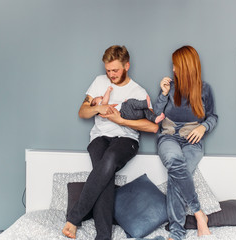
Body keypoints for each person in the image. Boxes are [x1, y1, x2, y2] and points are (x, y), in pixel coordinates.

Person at [62, 45, 158, 240]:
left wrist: (120, 120)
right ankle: (103, 236)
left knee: (110, 158)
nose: (111, 75)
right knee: (104, 174)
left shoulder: (138, 91)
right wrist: (100, 107)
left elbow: (153, 127)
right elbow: (82, 112)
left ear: (126, 66)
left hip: (126, 139)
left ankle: (73, 218)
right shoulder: (98, 83)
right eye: (108, 70)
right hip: (99, 137)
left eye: (115, 70)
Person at [154, 46, 218, 240]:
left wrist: (203, 127)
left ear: (186, 66)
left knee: (176, 177)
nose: (173, 69)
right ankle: (200, 214)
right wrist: (163, 94)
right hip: (168, 137)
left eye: (176, 65)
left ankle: (177, 232)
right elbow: (156, 115)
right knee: (174, 162)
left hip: (193, 142)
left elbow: (213, 116)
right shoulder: (170, 87)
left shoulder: (205, 89)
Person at [91, 86, 165, 124]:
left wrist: (124, 103)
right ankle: (145, 103)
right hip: (124, 112)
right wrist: (108, 91)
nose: (101, 96)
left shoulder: (106, 109)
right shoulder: (101, 107)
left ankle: (155, 118)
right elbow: (105, 101)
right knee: (130, 101)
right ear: (96, 104)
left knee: (144, 110)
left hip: (130, 115)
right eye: (96, 98)